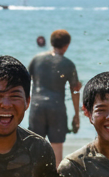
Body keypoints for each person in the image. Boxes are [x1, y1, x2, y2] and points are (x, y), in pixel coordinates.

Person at [28, 29, 82, 165]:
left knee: (35, 147)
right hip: (56, 108)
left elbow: (24, 83)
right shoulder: (68, 64)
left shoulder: (36, 59)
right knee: (57, 148)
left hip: (36, 107)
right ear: (67, 45)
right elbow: (75, 91)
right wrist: (77, 115)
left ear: (51, 42)